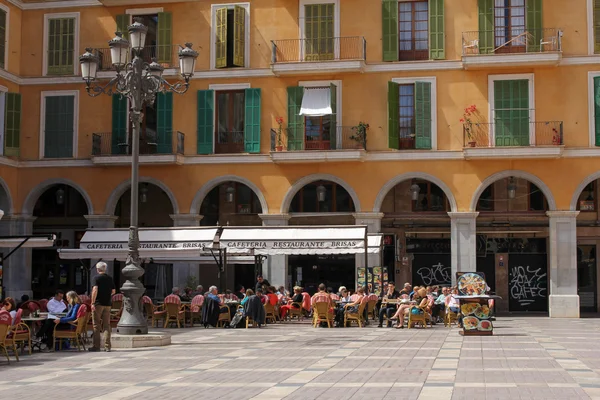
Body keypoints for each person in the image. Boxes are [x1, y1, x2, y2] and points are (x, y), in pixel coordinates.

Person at [89, 261, 115, 352]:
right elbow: (113, 291)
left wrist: (92, 302)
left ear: (97, 269)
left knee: (96, 325)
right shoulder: (109, 278)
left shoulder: (96, 278)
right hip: (107, 304)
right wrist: (107, 295)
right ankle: (107, 346)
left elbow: (95, 289)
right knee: (107, 325)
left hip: (98, 304)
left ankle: (96, 346)